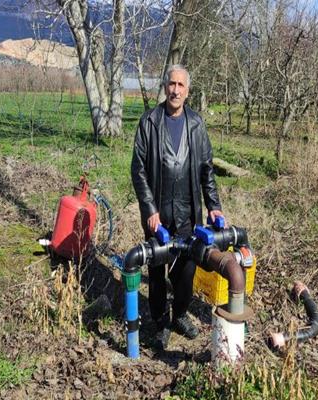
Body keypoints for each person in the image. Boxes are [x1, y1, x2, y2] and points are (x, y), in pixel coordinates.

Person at [131, 64, 224, 351]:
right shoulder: (149, 122)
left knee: (186, 271)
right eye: (171, 84)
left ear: (187, 91)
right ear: (165, 86)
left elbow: (207, 170)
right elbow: (138, 170)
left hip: (187, 212)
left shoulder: (196, 125)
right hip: (158, 213)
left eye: (181, 85)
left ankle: (180, 314)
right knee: (157, 272)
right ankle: (160, 323)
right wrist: (149, 209)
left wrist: (214, 206)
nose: (175, 90)